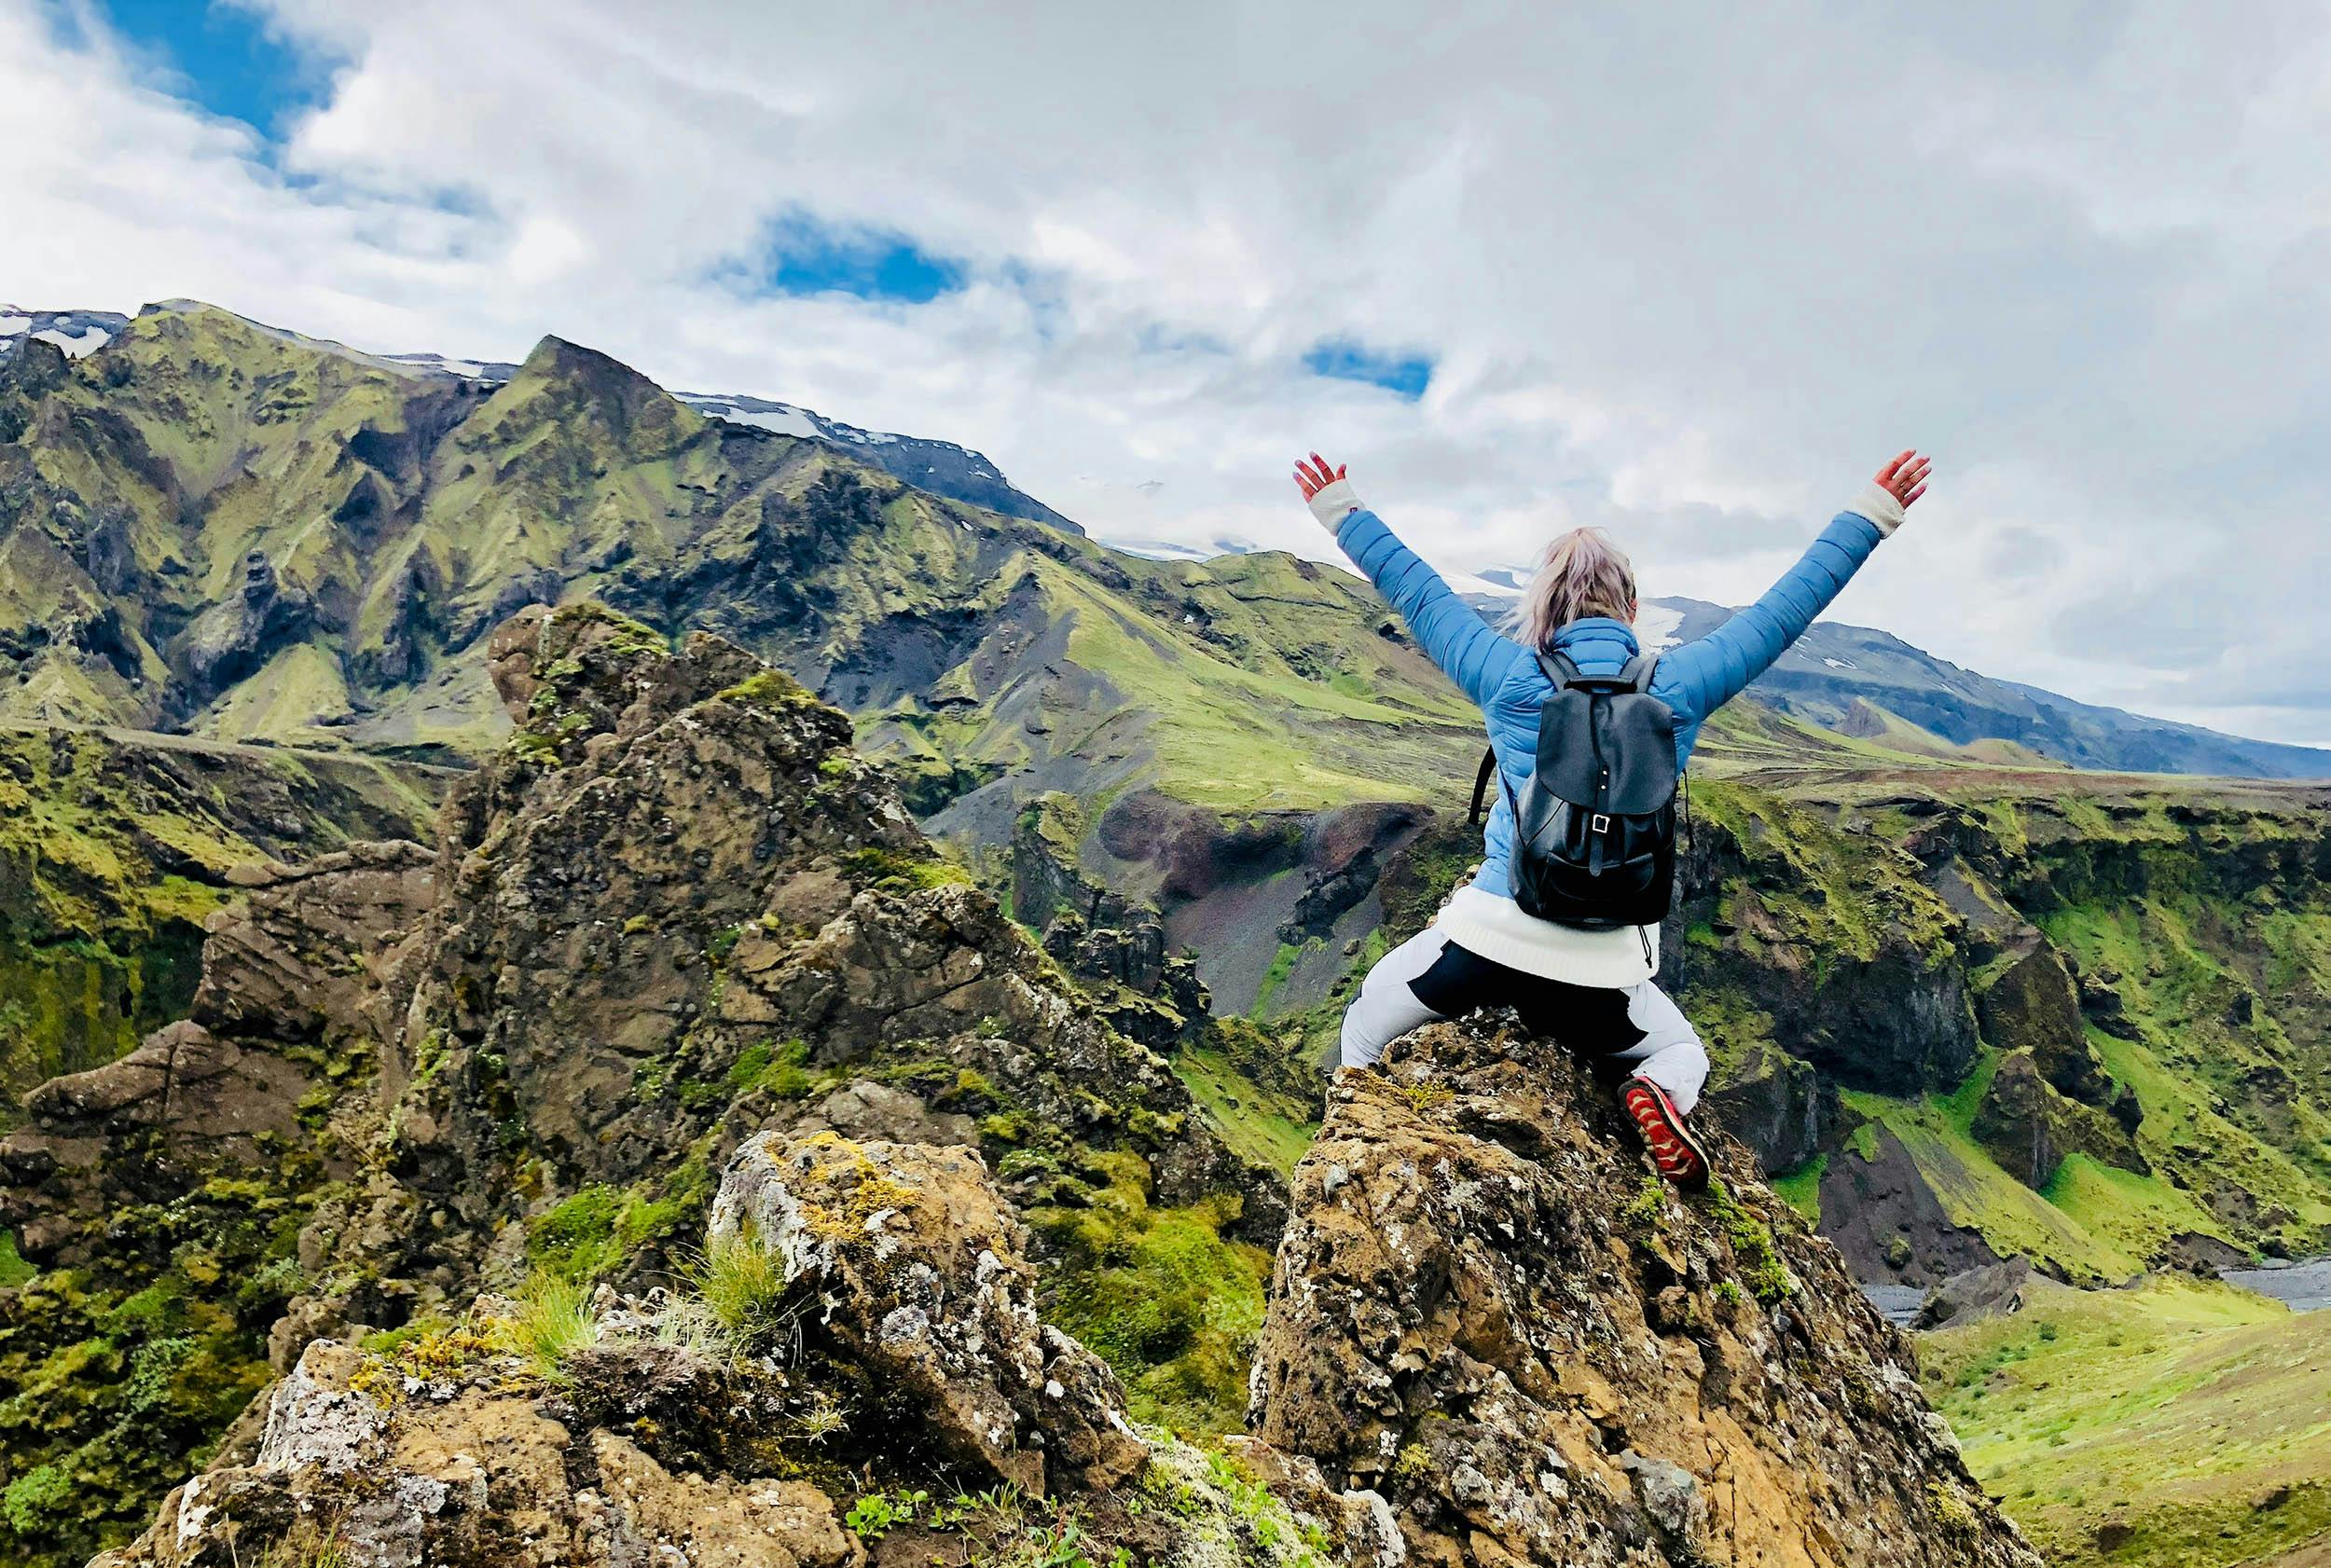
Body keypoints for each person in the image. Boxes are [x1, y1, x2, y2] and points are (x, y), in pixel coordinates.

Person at [1293, 447, 1931, 1187]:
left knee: (1366, 1026)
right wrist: (1873, 514)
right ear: (1629, 609)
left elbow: (1419, 592)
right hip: (1602, 979)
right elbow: (1783, 612)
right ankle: (1654, 1094)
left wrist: (1340, 509)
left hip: (1484, 949)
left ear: (1543, 609)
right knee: (1681, 1051)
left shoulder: (1505, 675)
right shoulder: (1680, 685)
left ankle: (1355, 1165)